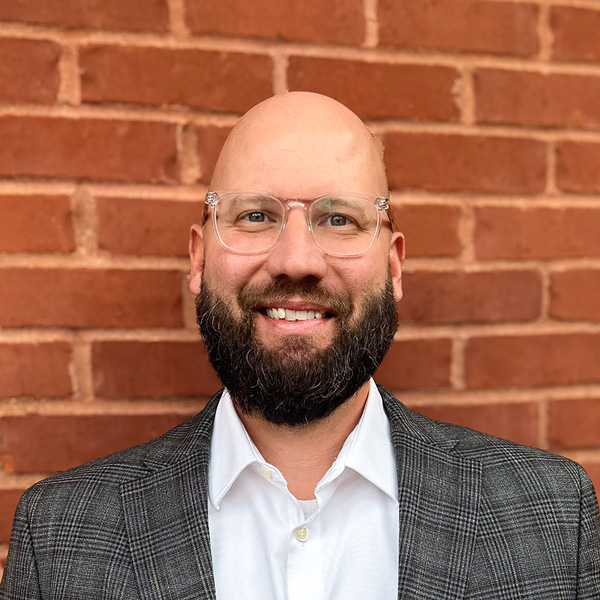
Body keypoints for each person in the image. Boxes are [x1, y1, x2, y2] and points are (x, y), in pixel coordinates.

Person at [1, 92, 599, 599]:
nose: (295, 261)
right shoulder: (59, 539)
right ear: (198, 258)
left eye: (339, 219)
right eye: (255, 216)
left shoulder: (549, 517)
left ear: (393, 268)